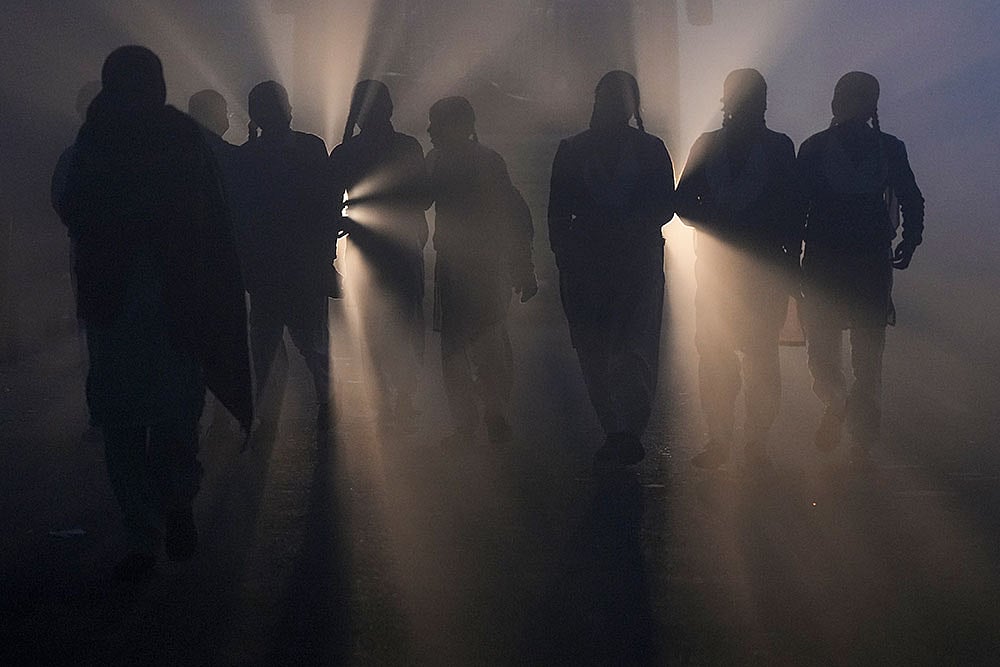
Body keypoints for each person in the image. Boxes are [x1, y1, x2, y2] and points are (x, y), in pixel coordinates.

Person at [58, 46, 252, 581]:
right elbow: (215, 219)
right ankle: (178, 503)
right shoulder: (184, 137)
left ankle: (142, 536)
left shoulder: (94, 136)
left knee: (122, 424)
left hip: (113, 301)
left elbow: (69, 203)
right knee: (175, 409)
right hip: (176, 298)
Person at [675, 69, 801, 468]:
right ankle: (735, 440)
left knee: (744, 356)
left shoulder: (712, 145)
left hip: (740, 272)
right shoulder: (778, 147)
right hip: (734, 272)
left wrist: (715, 223)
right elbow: (683, 202)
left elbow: (684, 203)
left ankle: (741, 441)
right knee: (734, 356)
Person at [547, 70, 674, 466]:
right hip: (602, 267)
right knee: (603, 350)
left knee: (627, 348)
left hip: (627, 268)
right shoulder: (646, 149)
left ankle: (625, 429)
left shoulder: (579, 150)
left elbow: (663, 207)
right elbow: (557, 214)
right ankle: (620, 429)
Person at [796, 71, 924, 465]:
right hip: (870, 260)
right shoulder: (889, 148)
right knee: (868, 353)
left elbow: (795, 204)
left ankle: (837, 402)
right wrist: (910, 239)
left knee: (822, 347)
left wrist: (786, 252)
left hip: (823, 260)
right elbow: (911, 199)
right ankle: (863, 436)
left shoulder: (815, 148)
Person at [425, 96, 537, 445]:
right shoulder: (487, 161)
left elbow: (420, 200)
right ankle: (494, 411)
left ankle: (468, 422)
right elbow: (517, 214)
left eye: (437, 123)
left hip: (461, 266)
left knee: (456, 346)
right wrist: (523, 266)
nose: (430, 131)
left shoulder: (439, 161)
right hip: (487, 266)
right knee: (489, 339)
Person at [233, 81, 336, 435]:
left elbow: (243, 215)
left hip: (266, 267)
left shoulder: (247, 157)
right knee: (313, 342)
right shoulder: (311, 148)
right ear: (287, 110)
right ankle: (325, 406)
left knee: (265, 343)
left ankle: (265, 413)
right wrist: (326, 257)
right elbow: (325, 204)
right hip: (304, 264)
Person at [329, 80, 429, 427]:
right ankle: (402, 394)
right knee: (408, 319)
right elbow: (422, 196)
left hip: (364, 248)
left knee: (372, 324)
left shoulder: (346, 152)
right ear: (389, 109)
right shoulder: (408, 147)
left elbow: (331, 201)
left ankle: (387, 396)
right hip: (403, 245)